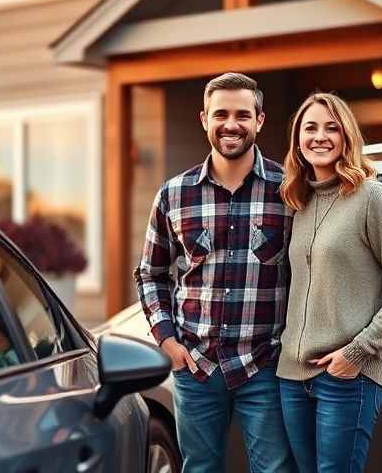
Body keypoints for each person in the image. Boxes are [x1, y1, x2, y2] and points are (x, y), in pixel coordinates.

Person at [134, 72, 295, 473]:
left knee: (274, 470)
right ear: (204, 119)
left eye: (242, 114)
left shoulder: (289, 191)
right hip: (197, 367)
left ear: (259, 120)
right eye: (220, 113)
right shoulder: (174, 194)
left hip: (265, 364)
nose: (231, 124)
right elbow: (150, 274)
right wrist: (168, 341)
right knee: (200, 469)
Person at [276, 92, 382, 473]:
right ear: (297, 140)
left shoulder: (372, 198)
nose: (320, 136)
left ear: (346, 138)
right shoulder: (298, 202)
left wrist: (357, 353)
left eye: (331, 128)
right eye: (310, 128)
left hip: (346, 377)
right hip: (292, 377)